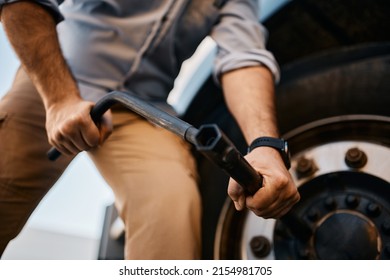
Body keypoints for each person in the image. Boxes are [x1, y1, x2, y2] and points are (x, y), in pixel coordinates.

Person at [0, 0, 300, 259]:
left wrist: (264, 145)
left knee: (171, 212)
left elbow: (243, 57)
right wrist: (60, 99)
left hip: (142, 109)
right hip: (56, 80)